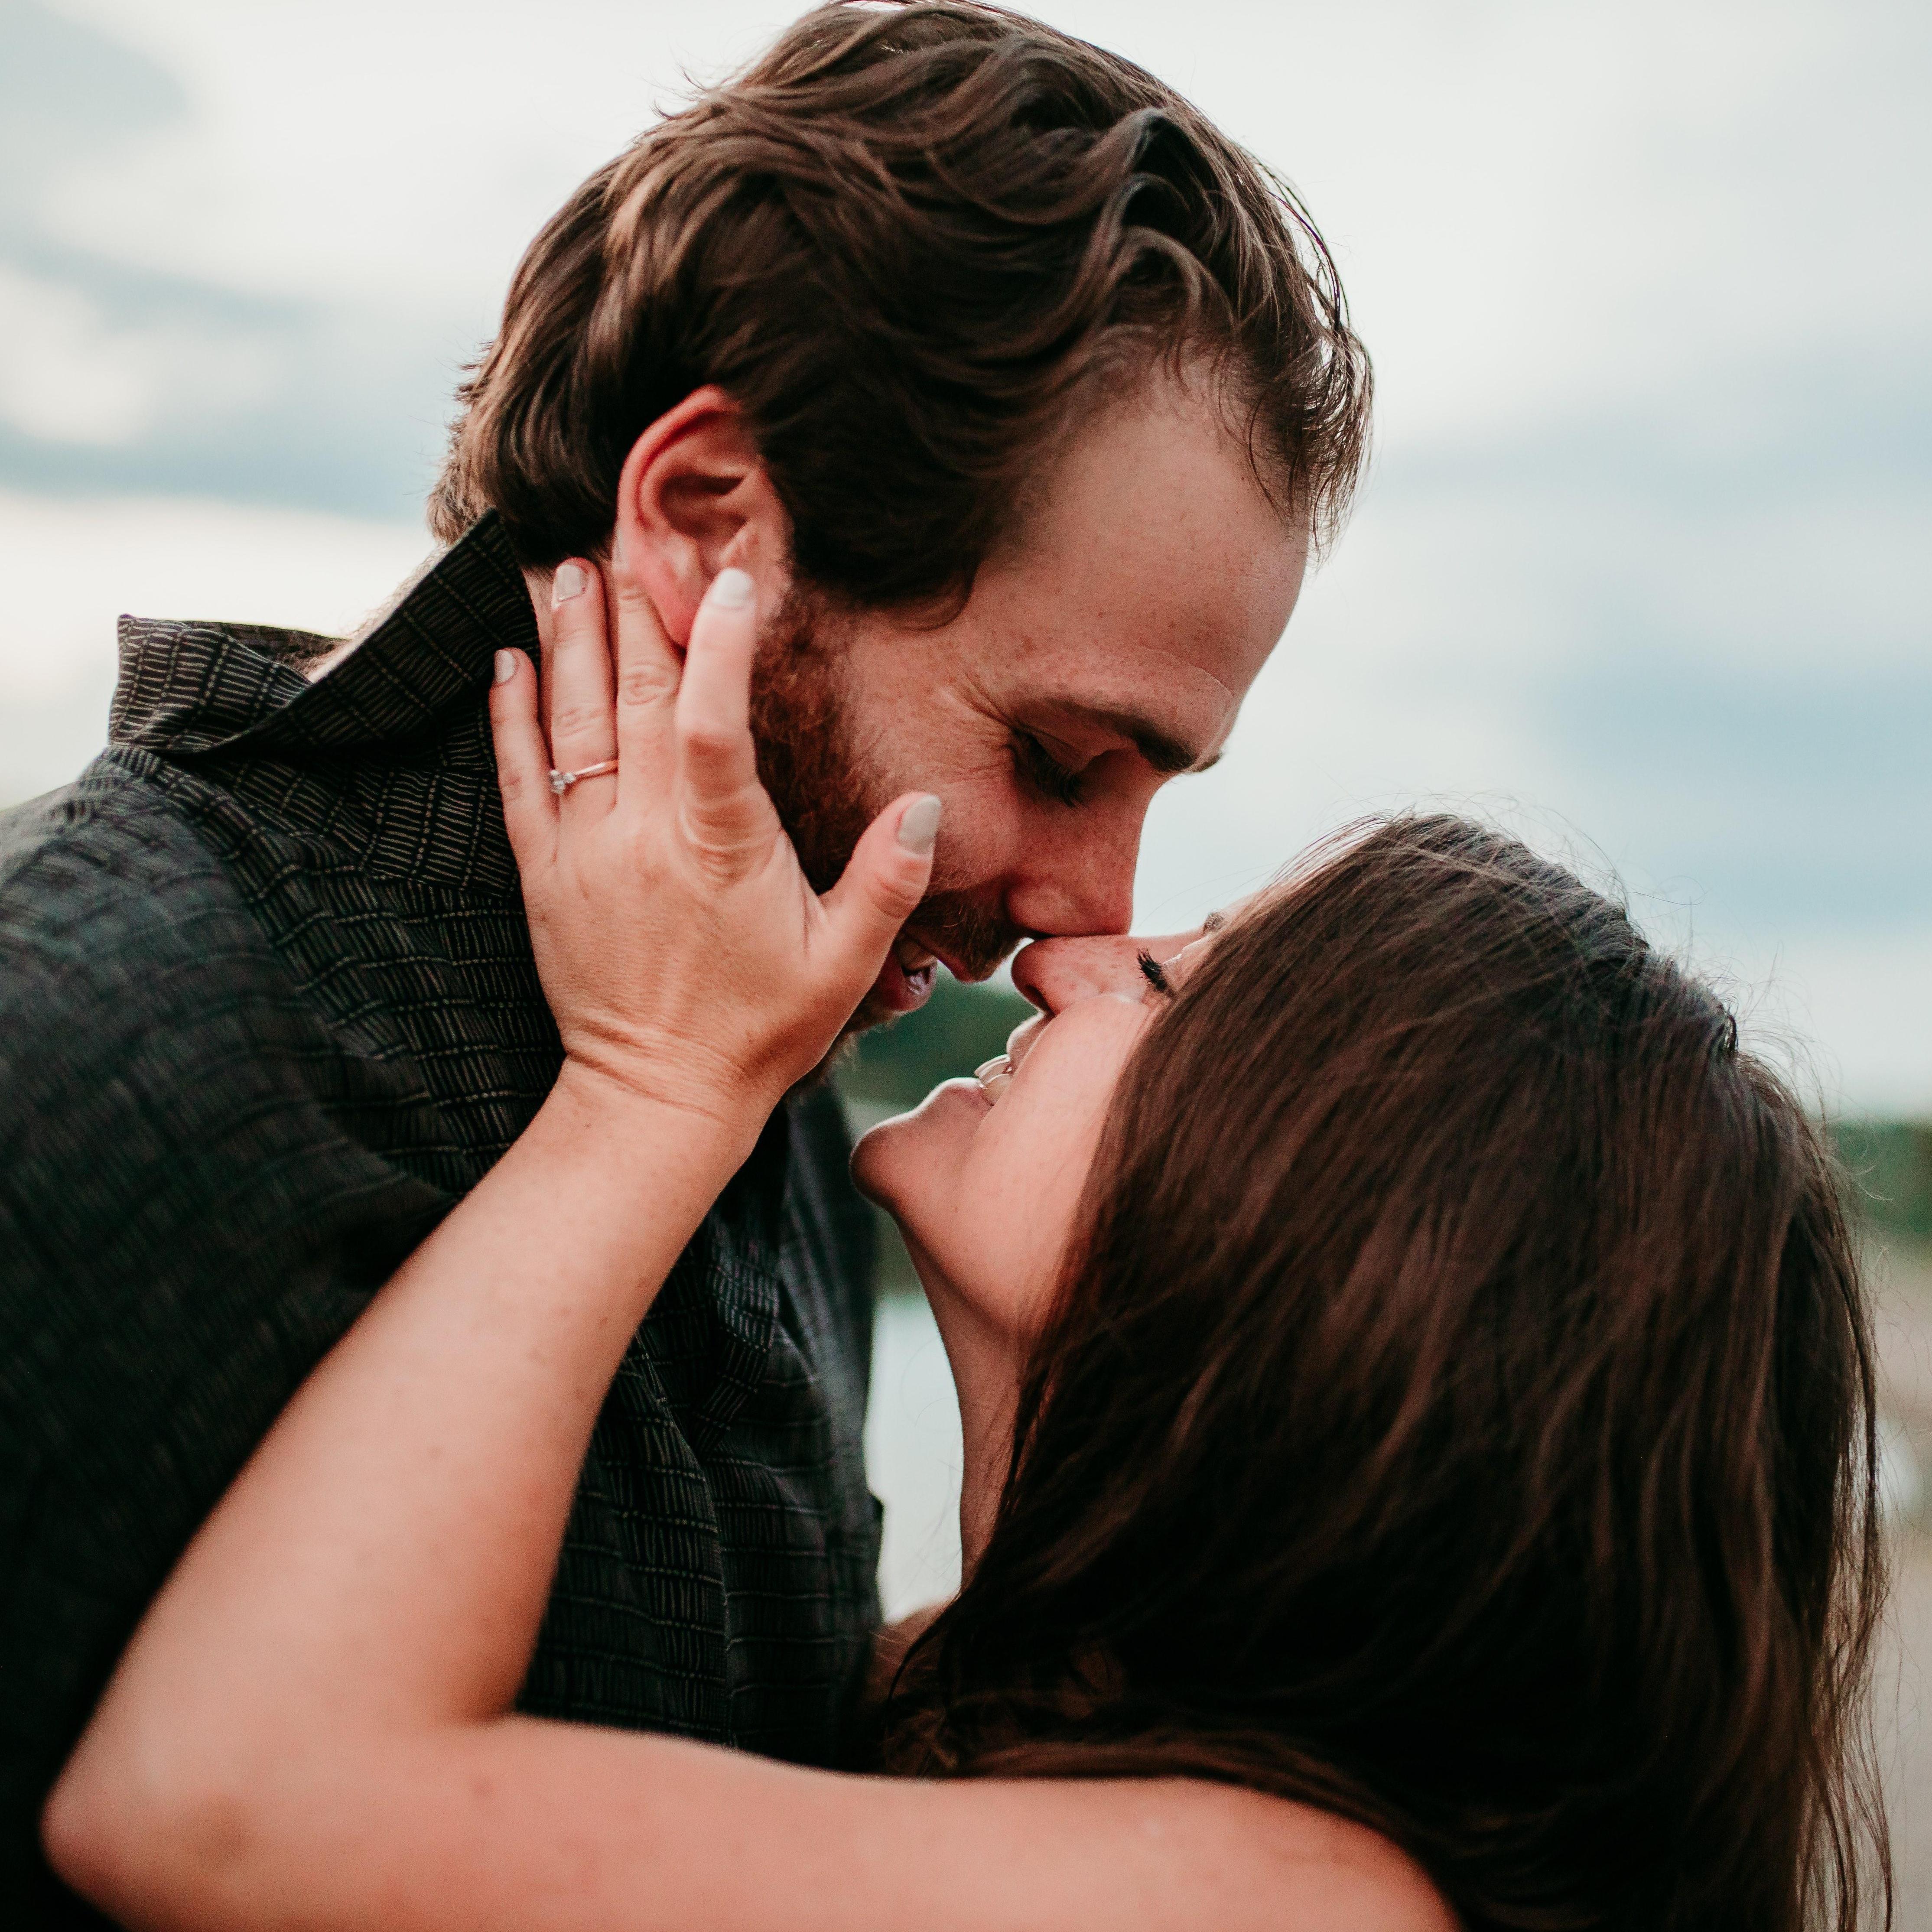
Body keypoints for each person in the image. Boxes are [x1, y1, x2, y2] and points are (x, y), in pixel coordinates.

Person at [0, 3, 1369, 1914]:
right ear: (707, 517)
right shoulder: (86, 1069)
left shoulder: (770, 1032)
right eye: (1056, 758)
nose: (1093, 900)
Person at [48, 562, 1887, 1931]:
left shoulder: (1285, 1905)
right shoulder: (1012, 1719)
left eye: (1182, 978)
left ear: (1325, 1251)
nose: (1074, 950)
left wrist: (650, 1082)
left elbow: (222, 1798)